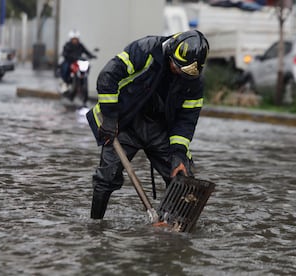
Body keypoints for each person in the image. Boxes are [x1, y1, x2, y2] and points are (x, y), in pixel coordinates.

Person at [86, 30, 209, 219]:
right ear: (170, 52)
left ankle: (171, 223)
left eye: (184, 73)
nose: (178, 73)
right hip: (125, 122)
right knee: (106, 177)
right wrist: (110, 117)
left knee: (182, 177)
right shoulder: (146, 50)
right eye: (177, 67)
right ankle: (95, 224)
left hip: (160, 129)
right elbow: (107, 76)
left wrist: (178, 153)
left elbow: (187, 120)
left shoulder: (193, 82)